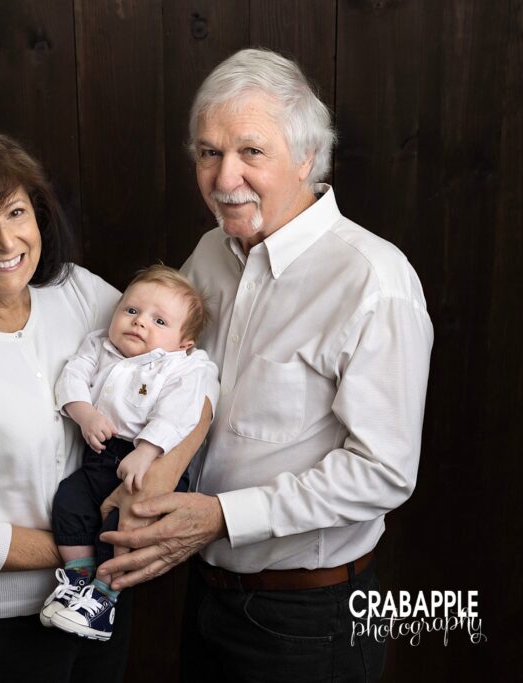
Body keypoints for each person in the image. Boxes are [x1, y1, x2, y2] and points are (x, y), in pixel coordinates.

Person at [97, 48, 434, 682]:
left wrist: (223, 516)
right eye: (207, 152)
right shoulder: (208, 254)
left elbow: (386, 471)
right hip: (205, 590)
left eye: (252, 152)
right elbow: (181, 384)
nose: (224, 179)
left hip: (312, 617)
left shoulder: (372, 281)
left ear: (308, 157)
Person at [0, 131, 213, 683]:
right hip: (4, 625)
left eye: (16, 212)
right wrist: (90, 546)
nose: (4, 239)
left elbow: (195, 375)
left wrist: (163, 472)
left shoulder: (75, 291)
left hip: (105, 600)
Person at [42, 265, 218, 641]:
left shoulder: (180, 368)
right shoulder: (98, 345)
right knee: (69, 502)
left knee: (119, 530)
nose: (140, 323)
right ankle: (78, 581)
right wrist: (84, 412)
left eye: (159, 320)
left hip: (149, 461)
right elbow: (72, 377)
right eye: (132, 310)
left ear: (183, 343)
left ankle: (104, 600)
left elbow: (179, 414)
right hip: (99, 455)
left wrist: (148, 451)